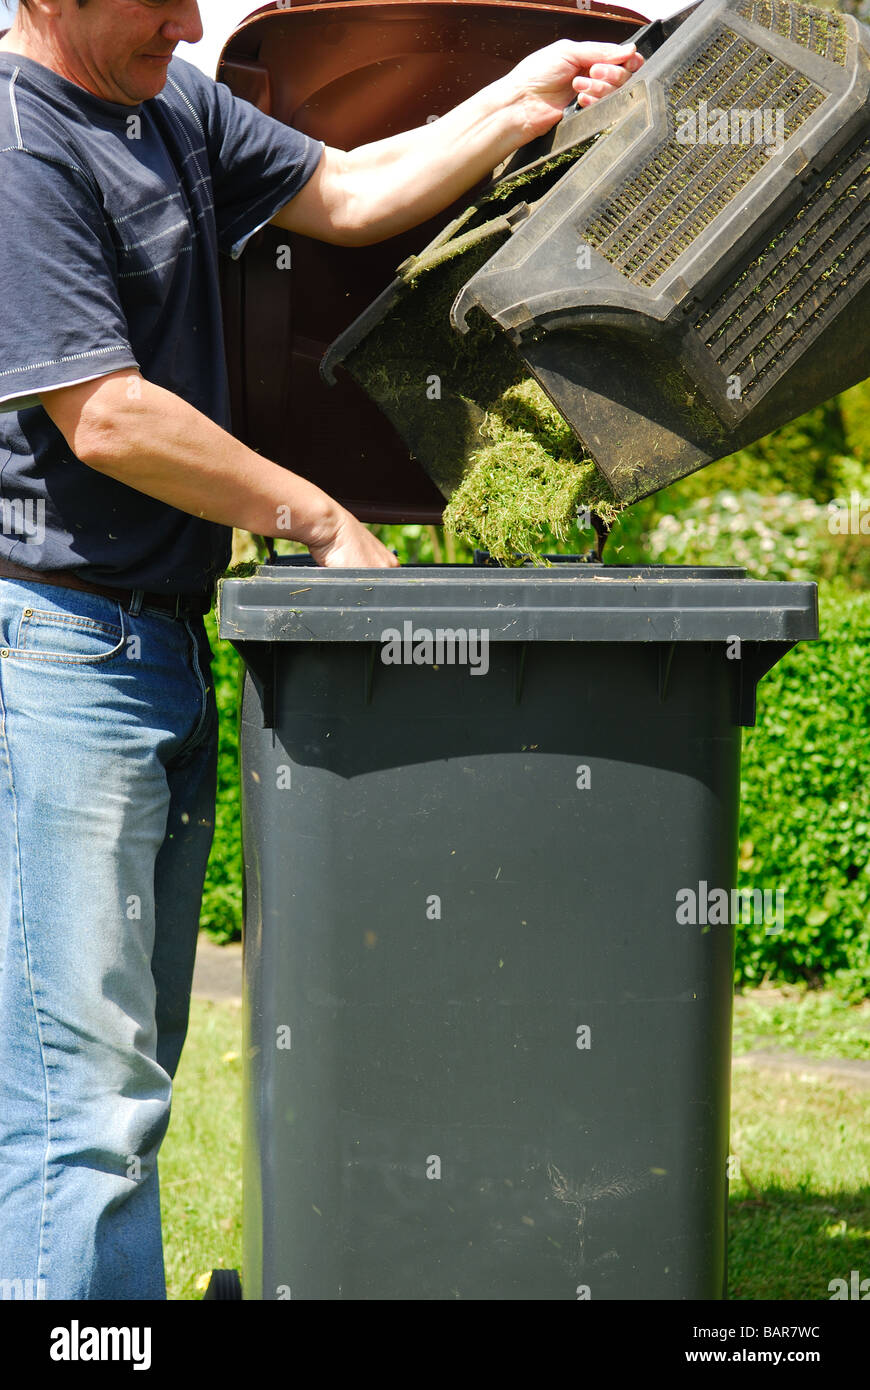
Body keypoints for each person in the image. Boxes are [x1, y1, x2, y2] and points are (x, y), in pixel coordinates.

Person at [0, 0, 642, 1300]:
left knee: (125, 1059)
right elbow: (107, 415)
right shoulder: (21, 146)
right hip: (56, 654)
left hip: (158, 643)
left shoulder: (167, 100)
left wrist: (520, 97)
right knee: (82, 1088)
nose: (191, 22)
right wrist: (316, 515)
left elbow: (347, 191)